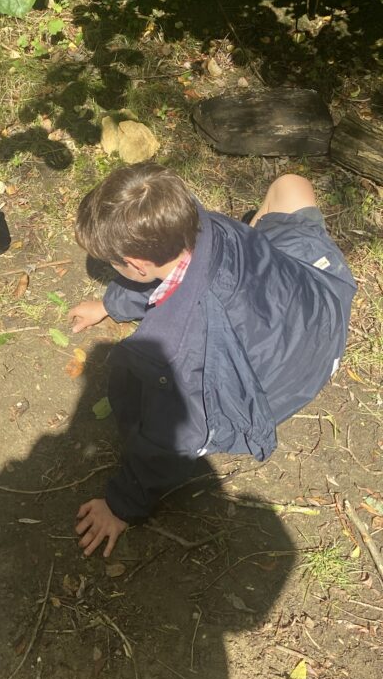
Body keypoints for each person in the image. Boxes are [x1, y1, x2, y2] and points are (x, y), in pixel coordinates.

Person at [68, 162, 357, 558]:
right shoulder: (200, 223)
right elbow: (160, 280)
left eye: (114, 265)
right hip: (319, 305)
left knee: (160, 408)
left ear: (136, 265)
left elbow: (172, 439)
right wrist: (110, 302)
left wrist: (121, 505)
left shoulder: (176, 349)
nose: (113, 271)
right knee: (291, 186)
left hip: (279, 386)